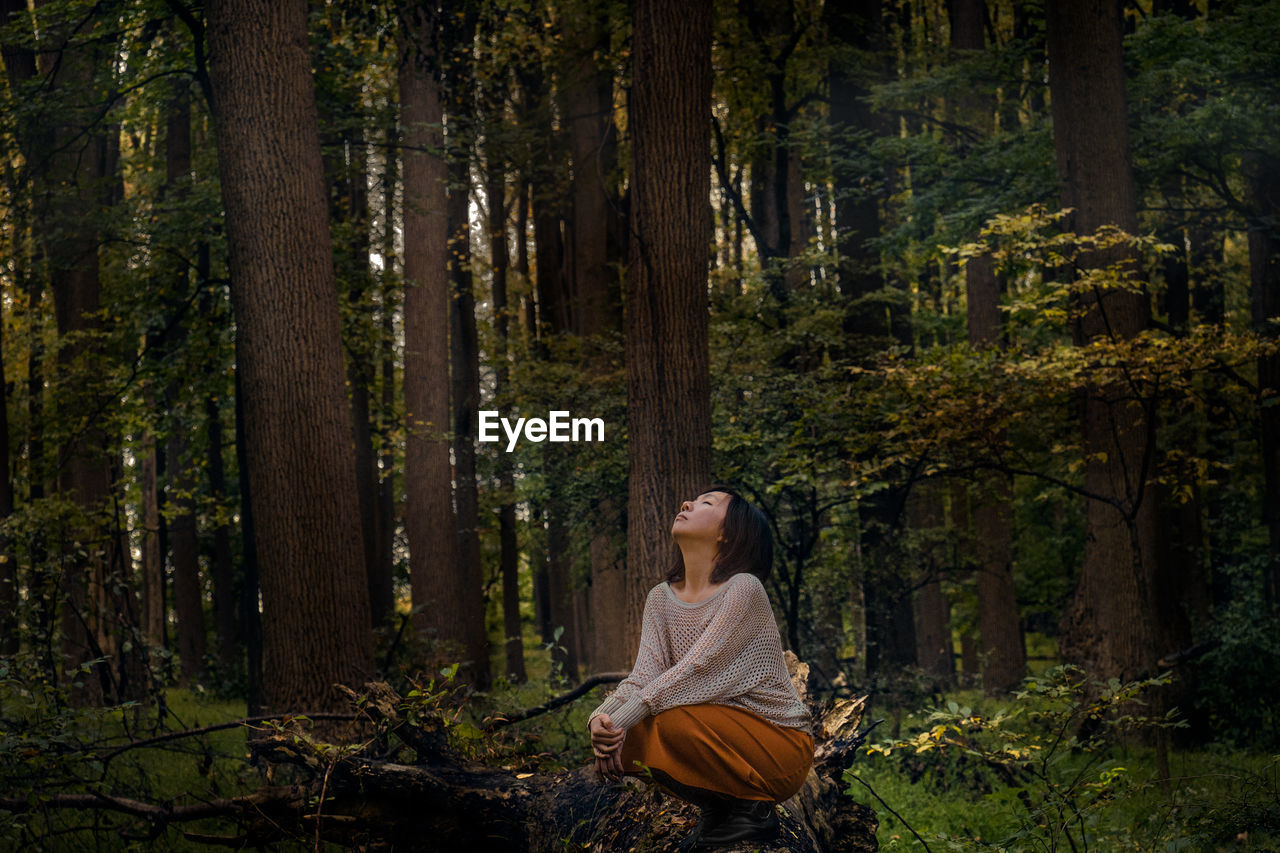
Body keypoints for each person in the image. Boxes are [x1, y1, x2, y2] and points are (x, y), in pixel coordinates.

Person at [587, 486, 813, 849]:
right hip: (715, 736)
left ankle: (755, 811)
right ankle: (720, 807)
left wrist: (624, 719)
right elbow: (644, 677)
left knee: (668, 721)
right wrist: (602, 721)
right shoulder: (660, 598)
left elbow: (697, 669)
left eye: (707, 503)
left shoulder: (744, 589)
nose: (687, 503)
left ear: (728, 533)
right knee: (632, 739)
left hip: (779, 747)